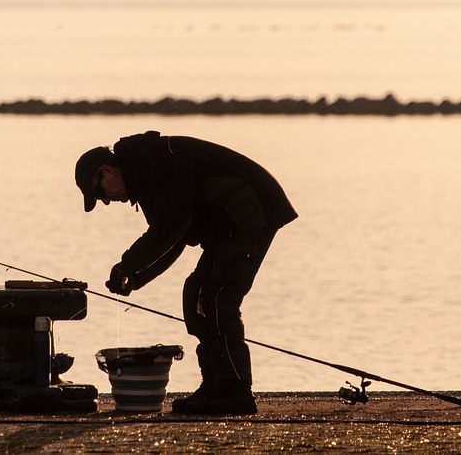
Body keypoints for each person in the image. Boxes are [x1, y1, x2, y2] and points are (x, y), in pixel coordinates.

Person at [75, 130, 297, 415]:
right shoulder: (145, 172)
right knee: (196, 293)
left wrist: (127, 265)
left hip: (250, 211)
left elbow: (171, 227)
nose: (105, 200)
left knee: (217, 297)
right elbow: (175, 237)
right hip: (228, 226)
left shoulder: (154, 163)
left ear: (106, 170)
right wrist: (137, 276)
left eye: (99, 192)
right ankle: (215, 386)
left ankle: (235, 391)